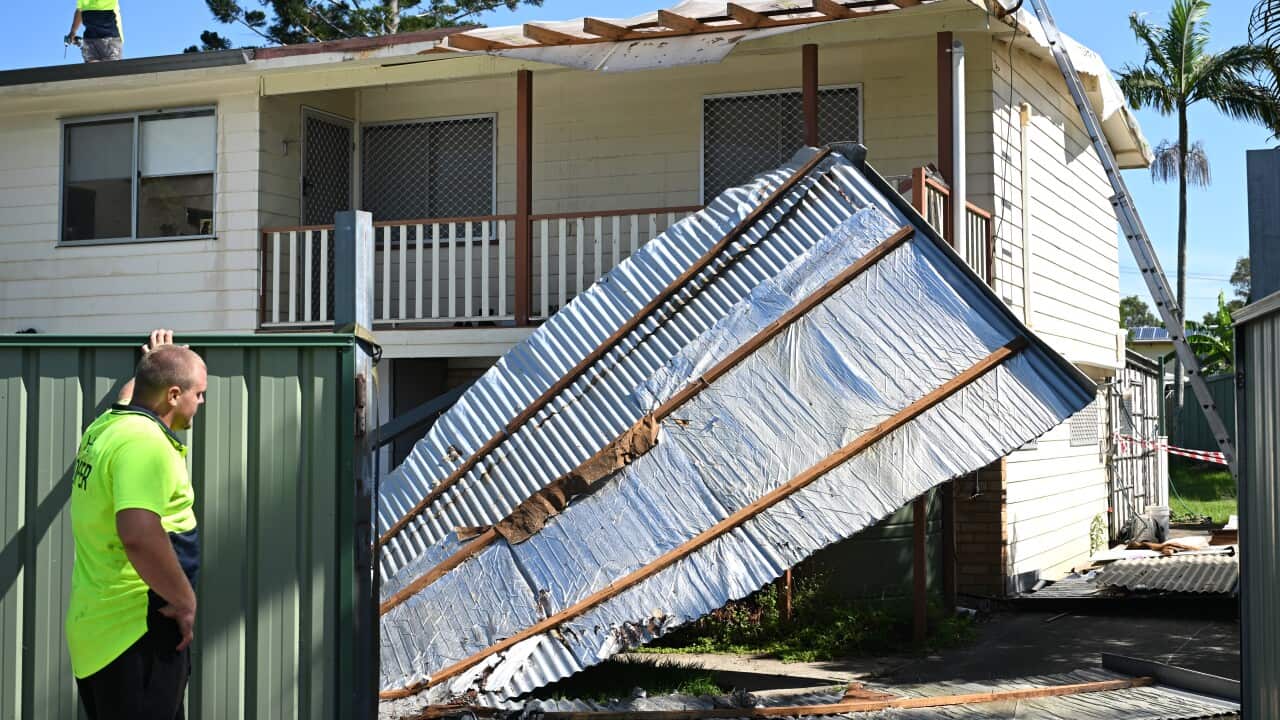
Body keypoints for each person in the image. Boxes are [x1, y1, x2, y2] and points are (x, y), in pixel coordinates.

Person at [67, 330, 205, 719]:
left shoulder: (106, 426)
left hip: (97, 629)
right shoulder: (144, 444)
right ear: (174, 395)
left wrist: (157, 359)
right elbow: (139, 535)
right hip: (137, 633)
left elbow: (135, 397)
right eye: (198, 393)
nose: (202, 402)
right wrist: (184, 601)